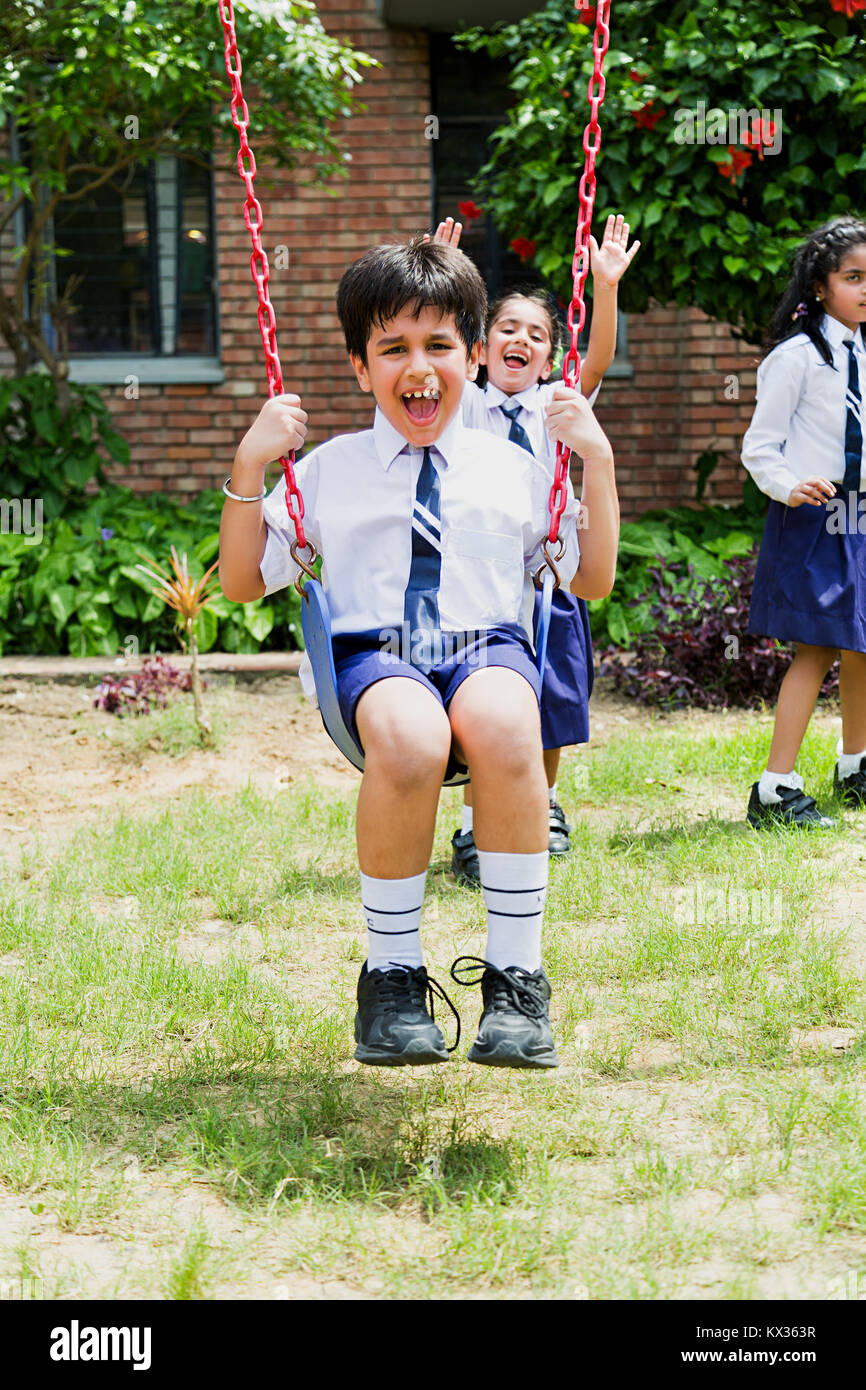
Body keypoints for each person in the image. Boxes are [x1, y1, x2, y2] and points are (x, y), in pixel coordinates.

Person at [219, 236, 618, 1069]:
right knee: (410, 739)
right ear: (361, 369)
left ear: (473, 357)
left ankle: (517, 979)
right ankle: (392, 977)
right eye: (392, 347)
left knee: (511, 727)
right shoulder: (329, 470)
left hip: (486, 646)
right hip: (379, 654)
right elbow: (243, 583)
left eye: (439, 345)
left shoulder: (515, 468)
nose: (419, 366)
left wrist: (598, 461)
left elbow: (593, 580)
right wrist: (252, 464)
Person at [433, 215, 637, 881]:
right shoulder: (463, 404)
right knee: (482, 704)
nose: (521, 339)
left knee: (549, 701)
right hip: (481, 581)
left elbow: (599, 354)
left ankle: (541, 803)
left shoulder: (560, 402)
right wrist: (440, 276)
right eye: (506, 329)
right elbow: (434, 349)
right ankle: (472, 826)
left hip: (549, 576)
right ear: (482, 348)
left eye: (538, 334)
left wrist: (603, 287)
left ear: (551, 356)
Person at [742, 215, 866, 828]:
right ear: (820, 286)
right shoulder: (794, 359)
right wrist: (791, 487)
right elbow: (760, 447)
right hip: (814, 515)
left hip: (861, 516)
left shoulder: (863, 352)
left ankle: (855, 764)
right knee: (816, 648)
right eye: (853, 277)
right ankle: (774, 787)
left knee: (863, 644)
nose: (865, 288)